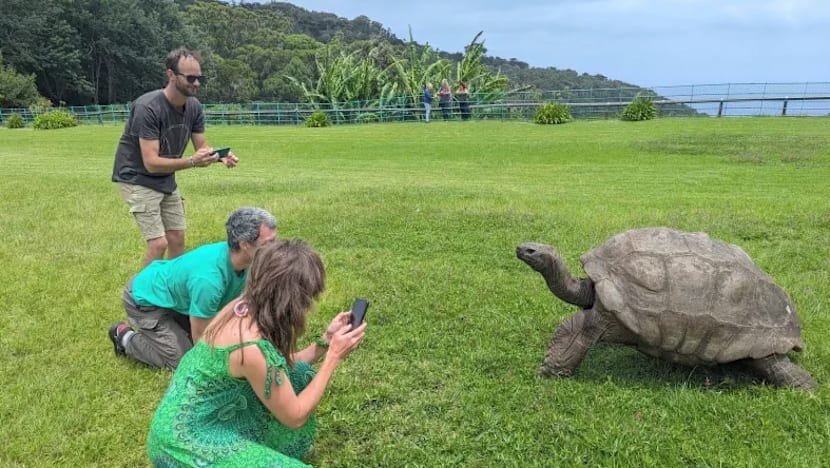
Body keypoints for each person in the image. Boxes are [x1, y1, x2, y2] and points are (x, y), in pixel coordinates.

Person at [147, 239, 366, 466]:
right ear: (291, 299)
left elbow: (281, 368)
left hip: (207, 419)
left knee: (299, 374)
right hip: (183, 443)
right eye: (307, 298)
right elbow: (295, 416)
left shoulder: (241, 307)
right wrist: (333, 357)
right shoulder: (251, 347)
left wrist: (325, 342)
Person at [112, 47, 240, 267]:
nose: (197, 83)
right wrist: (192, 162)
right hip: (136, 177)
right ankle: (142, 296)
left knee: (177, 239)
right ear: (171, 75)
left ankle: (172, 289)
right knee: (158, 243)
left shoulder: (194, 107)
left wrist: (219, 156)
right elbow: (151, 163)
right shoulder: (148, 108)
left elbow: (202, 147)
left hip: (166, 178)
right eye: (190, 78)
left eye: (199, 78)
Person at [108, 207, 277, 369]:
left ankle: (174, 325)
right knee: (183, 360)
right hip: (145, 301)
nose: (275, 248)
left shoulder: (243, 261)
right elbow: (201, 336)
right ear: (244, 244)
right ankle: (125, 337)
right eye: (269, 242)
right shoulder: (209, 280)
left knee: (222, 335)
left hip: (174, 299)